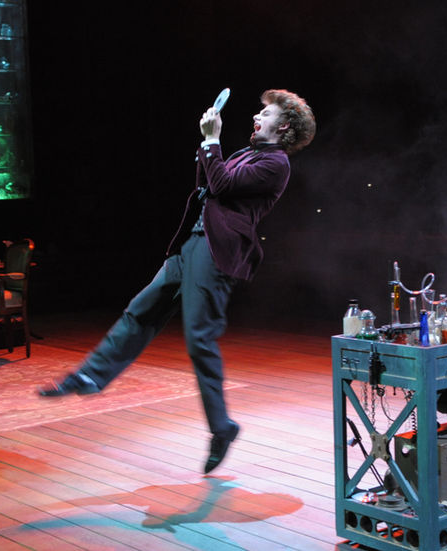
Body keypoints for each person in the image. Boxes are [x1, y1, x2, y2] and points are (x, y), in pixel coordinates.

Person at [38, 89, 316, 474]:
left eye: (265, 113)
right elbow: (208, 186)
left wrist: (212, 140)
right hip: (193, 244)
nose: (257, 116)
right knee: (141, 311)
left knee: (199, 338)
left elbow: (221, 186)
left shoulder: (276, 163)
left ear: (283, 126)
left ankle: (221, 427)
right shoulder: (248, 154)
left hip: (215, 251)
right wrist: (208, 146)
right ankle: (89, 375)